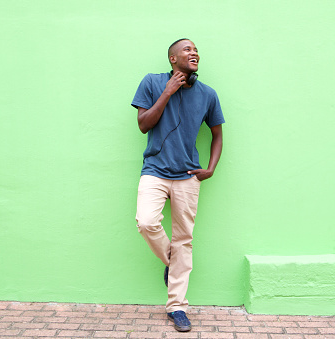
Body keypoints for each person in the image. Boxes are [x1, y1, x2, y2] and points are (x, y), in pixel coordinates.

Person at [131, 38, 224, 332]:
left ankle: (177, 307)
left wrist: (210, 168)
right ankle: (173, 262)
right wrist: (168, 91)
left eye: (197, 49)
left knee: (185, 239)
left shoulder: (208, 94)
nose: (194, 52)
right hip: (155, 170)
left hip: (188, 177)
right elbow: (144, 124)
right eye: (187, 49)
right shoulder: (152, 82)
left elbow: (218, 134)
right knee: (146, 222)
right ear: (173, 59)